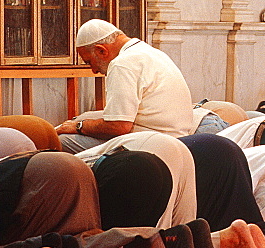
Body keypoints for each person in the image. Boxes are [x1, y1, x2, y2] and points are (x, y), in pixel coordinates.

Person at [57, 19, 193, 152]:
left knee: (61, 141)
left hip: (154, 144)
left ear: (101, 51)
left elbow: (118, 127)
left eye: (89, 62)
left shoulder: (122, 64)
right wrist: (81, 122)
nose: (93, 70)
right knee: (84, 116)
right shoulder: (148, 51)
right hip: (176, 136)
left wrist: (79, 127)